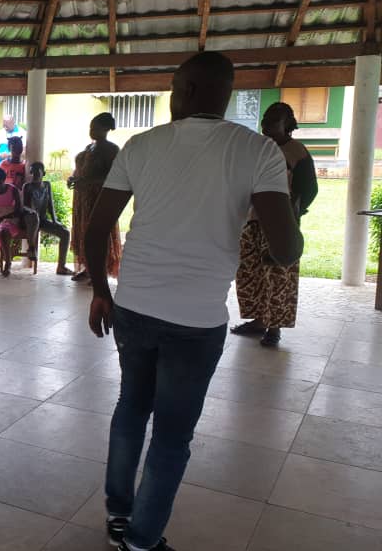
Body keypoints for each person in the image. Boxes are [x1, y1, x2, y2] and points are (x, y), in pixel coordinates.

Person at [83, 51, 303, 551]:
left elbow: (97, 231)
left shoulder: (141, 145)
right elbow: (287, 249)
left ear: (183, 90)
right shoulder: (258, 151)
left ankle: (119, 515)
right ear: (226, 94)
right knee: (171, 435)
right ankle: (141, 540)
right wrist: (285, 210)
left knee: (131, 408)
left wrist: (100, 291)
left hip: (133, 306)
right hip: (197, 321)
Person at [232, 102, 318, 347]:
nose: (266, 123)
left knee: (278, 275)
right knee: (252, 272)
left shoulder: (297, 151)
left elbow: (309, 189)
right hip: (252, 220)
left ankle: (274, 327)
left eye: (273, 119)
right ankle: (259, 320)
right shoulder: (258, 148)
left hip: (281, 223)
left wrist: (292, 214)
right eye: (265, 118)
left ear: (287, 123)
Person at [69, 112, 122, 282]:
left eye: (95, 128)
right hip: (83, 199)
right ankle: (88, 268)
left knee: (98, 234)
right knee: (84, 233)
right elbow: (81, 170)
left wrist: (88, 182)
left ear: (105, 129)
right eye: (90, 127)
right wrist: (73, 178)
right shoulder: (89, 148)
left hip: (98, 198)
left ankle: (100, 272)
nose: (91, 131)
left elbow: (113, 176)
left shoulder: (111, 150)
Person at [24, 162, 74, 275]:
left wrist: (55, 221)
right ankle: (31, 248)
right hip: (30, 221)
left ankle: (61, 267)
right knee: (34, 217)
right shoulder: (27, 186)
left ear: (44, 173)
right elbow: (24, 206)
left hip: (42, 220)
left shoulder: (47, 185)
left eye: (37, 171)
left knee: (65, 233)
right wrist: (32, 211)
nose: (35, 174)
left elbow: (50, 204)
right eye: (32, 172)